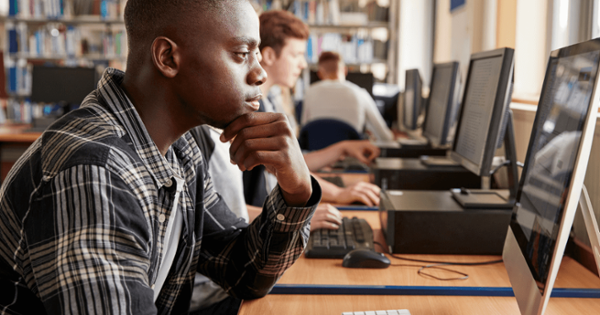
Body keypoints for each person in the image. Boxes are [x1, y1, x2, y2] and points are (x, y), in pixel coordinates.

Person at [0, 1, 322, 314]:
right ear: (168, 57)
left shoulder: (180, 153)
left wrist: (297, 190)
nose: (260, 74)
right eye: (241, 54)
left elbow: (243, 270)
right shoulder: (94, 170)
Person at [246, 10, 382, 209]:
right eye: (296, 55)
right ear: (268, 55)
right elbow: (284, 169)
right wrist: (338, 193)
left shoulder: (267, 102)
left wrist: (343, 148)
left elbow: (291, 164)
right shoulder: (254, 111)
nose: (302, 64)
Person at [302, 51, 395, 142]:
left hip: (317, 155)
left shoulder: (309, 92)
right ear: (345, 70)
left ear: (319, 73)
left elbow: (304, 129)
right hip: (352, 155)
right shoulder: (360, 93)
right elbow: (385, 136)